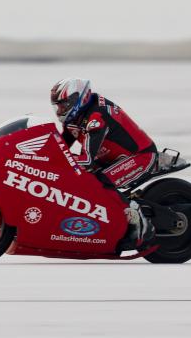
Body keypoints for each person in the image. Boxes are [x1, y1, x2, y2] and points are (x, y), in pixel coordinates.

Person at [50, 77, 157, 246]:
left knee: (101, 181)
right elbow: (61, 147)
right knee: (84, 181)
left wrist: (57, 163)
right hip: (111, 158)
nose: (60, 109)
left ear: (78, 98)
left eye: (63, 104)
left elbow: (86, 160)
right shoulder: (76, 116)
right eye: (58, 105)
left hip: (140, 156)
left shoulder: (97, 116)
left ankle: (139, 223)